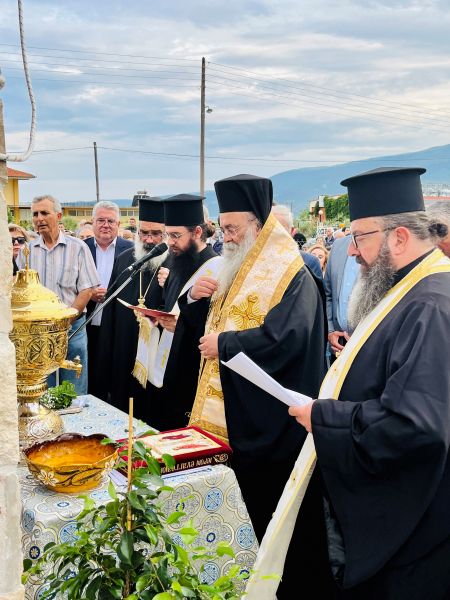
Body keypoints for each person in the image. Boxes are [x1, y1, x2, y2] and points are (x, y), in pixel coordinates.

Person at [287, 167, 450, 599]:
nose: (352, 251)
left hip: (418, 529)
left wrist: (324, 417)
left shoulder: (429, 304)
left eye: (360, 237)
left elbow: (415, 425)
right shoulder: (411, 289)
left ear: (399, 237)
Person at [177, 175, 326, 581]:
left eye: (232, 229)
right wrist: (198, 301)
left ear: (257, 226)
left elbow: (286, 338)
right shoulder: (238, 264)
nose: (224, 236)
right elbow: (211, 322)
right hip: (237, 421)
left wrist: (224, 345)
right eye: (222, 228)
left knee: (272, 521)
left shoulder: (289, 273)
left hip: (272, 427)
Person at [134, 194, 222, 431]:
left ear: (196, 233)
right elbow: (168, 305)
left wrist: (183, 313)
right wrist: (157, 317)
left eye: (176, 235)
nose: (170, 242)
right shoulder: (174, 260)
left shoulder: (216, 267)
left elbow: (214, 322)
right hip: (166, 359)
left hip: (190, 365)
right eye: (168, 234)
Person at [16, 194, 99, 394]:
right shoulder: (27, 251)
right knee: (43, 383)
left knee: (74, 382)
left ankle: (76, 422)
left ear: (59, 215)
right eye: (35, 214)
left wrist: (66, 319)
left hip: (73, 326)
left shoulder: (78, 247)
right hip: (38, 331)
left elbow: (87, 289)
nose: (39, 218)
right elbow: (20, 291)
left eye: (45, 213)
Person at [96, 198, 167, 413]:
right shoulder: (126, 259)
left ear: (165, 235)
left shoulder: (173, 263)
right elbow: (110, 309)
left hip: (155, 346)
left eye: (155, 234)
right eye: (143, 233)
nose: (148, 239)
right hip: (123, 346)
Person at [84, 201, 133, 397]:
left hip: (117, 327)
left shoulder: (131, 250)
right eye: (101, 220)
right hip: (87, 324)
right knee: (90, 377)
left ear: (118, 224)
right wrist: (89, 294)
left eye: (111, 221)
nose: (106, 225)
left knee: (115, 378)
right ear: (92, 223)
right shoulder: (82, 248)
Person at [324, 235, 360, 362]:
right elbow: (328, 294)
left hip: (367, 346)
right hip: (337, 344)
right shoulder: (338, 245)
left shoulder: (380, 243)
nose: (352, 251)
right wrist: (330, 331)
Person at [271, 204, 323, 280]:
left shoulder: (309, 262)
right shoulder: (253, 261)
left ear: (292, 231)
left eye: (279, 230)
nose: (274, 234)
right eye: (269, 229)